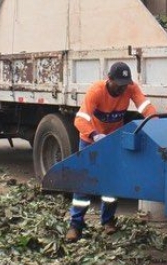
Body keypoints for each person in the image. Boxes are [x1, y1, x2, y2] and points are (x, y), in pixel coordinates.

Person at [67, 62, 157, 242]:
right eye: (119, 84)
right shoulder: (96, 91)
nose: (123, 88)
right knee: (84, 183)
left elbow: (146, 108)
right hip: (90, 141)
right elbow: (80, 120)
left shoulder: (130, 88)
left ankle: (108, 221)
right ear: (109, 79)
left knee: (112, 182)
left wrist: (156, 123)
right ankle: (75, 225)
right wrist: (94, 135)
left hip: (113, 140)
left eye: (125, 84)